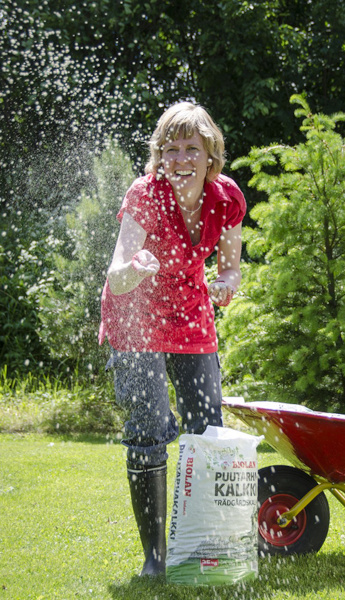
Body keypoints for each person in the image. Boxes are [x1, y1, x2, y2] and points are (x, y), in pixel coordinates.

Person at [97, 102, 245, 576]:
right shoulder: (145, 193)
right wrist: (134, 268)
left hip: (191, 313)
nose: (181, 158)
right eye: (171, 148)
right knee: (150, 425)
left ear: (210, 155)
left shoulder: (226, 199)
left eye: (191, 149)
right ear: (159, 155)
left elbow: (230, 269)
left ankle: (202, 550)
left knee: (207, 425)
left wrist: (225, 285)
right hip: (135, 317)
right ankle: (155, 560)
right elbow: (116, 272)